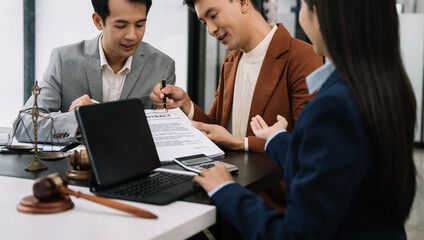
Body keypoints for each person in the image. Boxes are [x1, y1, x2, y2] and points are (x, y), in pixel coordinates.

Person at [192, 0, 417, 239]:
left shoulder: (333, 106)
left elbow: (297, 233)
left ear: (321, 15)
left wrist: (225, 190)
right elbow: (330, 163)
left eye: (304, 5)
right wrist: (276, 139)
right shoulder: (387, 87)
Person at [150, 0, 322, 153]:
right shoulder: (231, 61)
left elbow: (308, 142)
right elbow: (217, 128)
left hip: (272, 186)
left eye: (214, 15)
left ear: (242, 2)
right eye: (204, 23)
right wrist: (186, 105)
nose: (211, 30)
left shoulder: (302, 56)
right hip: (229, 180)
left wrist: (241, 143)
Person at [14, 0, 176, 143]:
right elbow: (24, 125)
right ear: (98, 21)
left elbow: (161, 133)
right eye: (121, 25)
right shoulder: (64, 60)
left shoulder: (162, 66)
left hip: (136, 170)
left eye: (140, 25)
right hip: (76, 171)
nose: (132, 36)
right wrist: (80, 120)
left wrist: (96, 115)